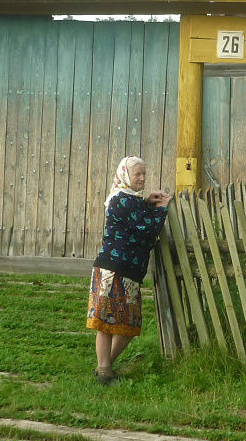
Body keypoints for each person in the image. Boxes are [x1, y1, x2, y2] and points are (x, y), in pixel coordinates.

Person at [86, 156, 172, 385]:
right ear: (125, 175)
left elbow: (136, 216)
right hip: (113, 271)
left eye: (144, 173)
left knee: (128, 326)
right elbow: (147, 227)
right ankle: (105, 372)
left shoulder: (129, 200)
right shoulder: (121, 201)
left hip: (129, 272)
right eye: (137, 174)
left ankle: (104, 366)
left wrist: (147, 202)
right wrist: (161, 208)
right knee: (106, 322)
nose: (142, 178)